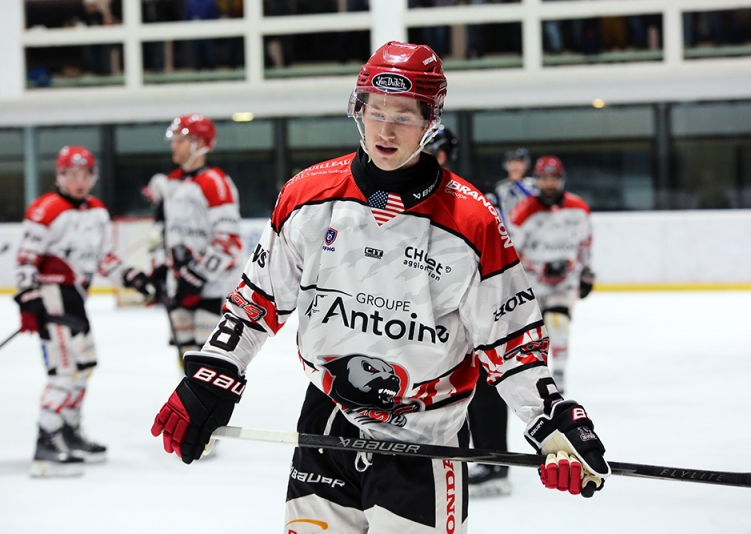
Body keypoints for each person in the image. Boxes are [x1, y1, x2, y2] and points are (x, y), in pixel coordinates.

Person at [151, 41, 610, 532]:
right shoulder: (307, 196)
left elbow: (511, 342)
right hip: (326, 427)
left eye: (405, 116)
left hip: (425, 436)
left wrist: (553, 419)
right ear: (359, 109)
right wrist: (215, 370)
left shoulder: (473, 221)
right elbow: (257, 299)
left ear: (430, 121)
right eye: (376, 110)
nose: (386, 129)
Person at [14, 146, 153, 477]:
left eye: (84, 175)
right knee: (64, 372)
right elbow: (25, 258)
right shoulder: (45, 209)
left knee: (84, 367)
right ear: (60, 176)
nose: (78, 182)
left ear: (93, 177)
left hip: (76, 299)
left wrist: (132, 277)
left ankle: (68, 431)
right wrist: (28, 298)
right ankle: (46, 444)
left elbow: (104, 259)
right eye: (71, 175)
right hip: (51, 298)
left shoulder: (97, 211)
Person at [466, 146, 539, 498]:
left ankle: (494, 461)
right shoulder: (498, 194)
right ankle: (488, 459)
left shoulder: (529, 193)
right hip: (489, 284)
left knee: (487, 378)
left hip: (504, 283)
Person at [148, 114, 243, 369]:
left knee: (209, 362)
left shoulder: (214, 182)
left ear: (199, 143)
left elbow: (230, 241)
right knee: (186, 360)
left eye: (181, 140)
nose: (174, 146)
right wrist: (161, 268)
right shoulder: (172, 183)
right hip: (180, 283)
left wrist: (198, 274)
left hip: (211, 287)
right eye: (175, 140)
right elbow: (168, 235)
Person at [508, 155, 595, 394]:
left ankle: (558, 373)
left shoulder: (578, 209)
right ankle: (536, 375)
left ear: (562, 179)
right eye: (544, 179)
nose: (549, 184)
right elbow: (511, 251)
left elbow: (585, 244)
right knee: (532, 335)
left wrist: (587, 272)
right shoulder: (522, 211)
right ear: (537, 180)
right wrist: (539, 268)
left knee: (558, 324)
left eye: (554, 178)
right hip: (532, 283)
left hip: (563, 283)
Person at [492, 147, 538, 226]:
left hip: (530, 228)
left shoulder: (534, 184)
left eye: (519, 163)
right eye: (511, 162)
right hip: (506, 230)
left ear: (526, 165)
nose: (515, 166)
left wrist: (519, 185)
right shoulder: (499, 187)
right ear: (506, 165)